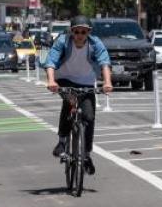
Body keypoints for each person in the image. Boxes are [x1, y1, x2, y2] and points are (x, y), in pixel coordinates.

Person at [42, 16, 112, 175]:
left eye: (83, 32)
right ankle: (62, 142)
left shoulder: (95, 43)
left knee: (89, 116)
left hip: (86, 82)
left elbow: (104, 62)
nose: (80, 35)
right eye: (76, 31)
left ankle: (86, 154)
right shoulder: (63, 42)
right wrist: (51, 81)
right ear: (71, 32)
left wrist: (107, 82)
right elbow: (51, 61)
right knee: (70, 101)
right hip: (64, 79)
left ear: (89, 33)